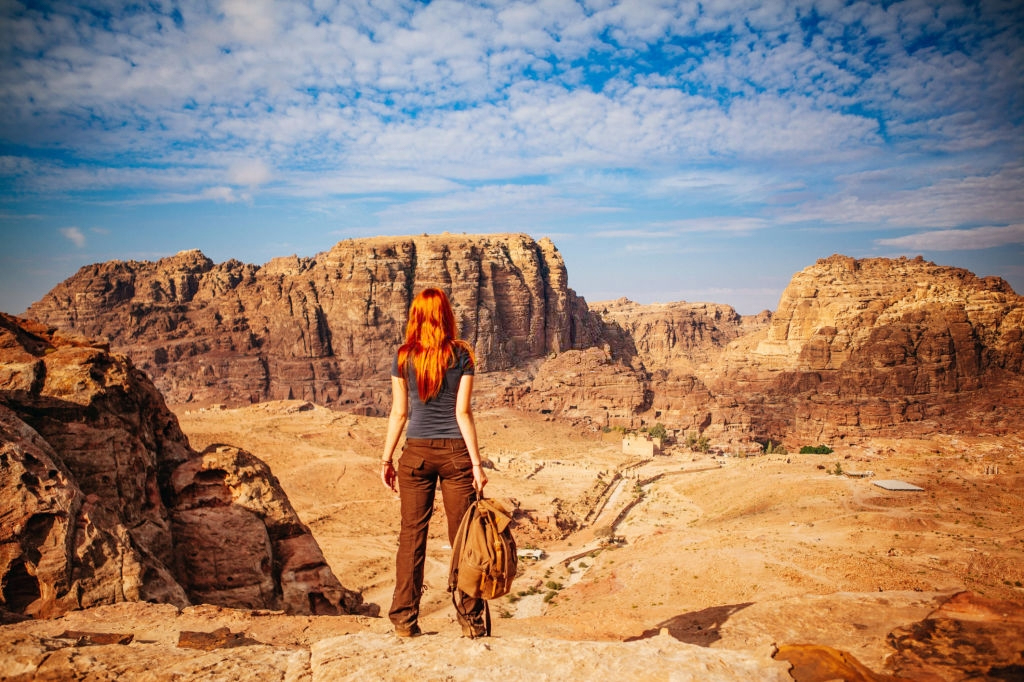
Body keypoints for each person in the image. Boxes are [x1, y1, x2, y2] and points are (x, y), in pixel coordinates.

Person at [380, 287, 488, 638]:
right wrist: (476, 464)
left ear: (415, 316)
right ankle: (470, 621)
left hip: (416, 454)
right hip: (456, 455)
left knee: (411, 537)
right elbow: (463, 413)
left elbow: (399, 413)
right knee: (464, 538)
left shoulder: (403, 356)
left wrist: (386, 458)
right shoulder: (462, 355)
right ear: (446, 315)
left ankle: (404, 620)